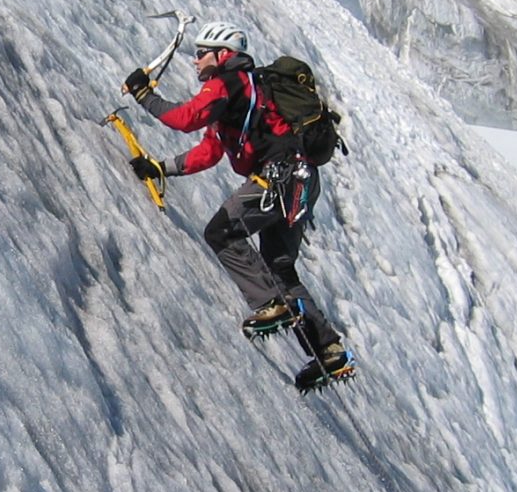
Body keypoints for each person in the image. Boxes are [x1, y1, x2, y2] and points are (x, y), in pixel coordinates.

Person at [124, 21, 353, 389]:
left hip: (279, 176)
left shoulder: (229, 83)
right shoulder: (246, 93)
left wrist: (144, 95)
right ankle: (329, 350)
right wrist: (160, 168)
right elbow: (209, 151)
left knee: (222, 231)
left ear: (223, 54)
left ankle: (269, 305)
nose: (195, 61)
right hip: (302, 183)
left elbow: (187, 119)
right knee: (279, 267)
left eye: (201, 53)